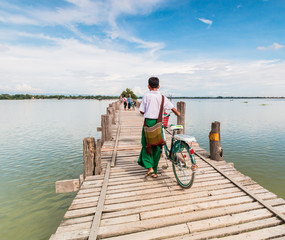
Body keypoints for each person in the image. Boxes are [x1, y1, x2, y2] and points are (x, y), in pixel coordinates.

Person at [138, 77, 180, 178]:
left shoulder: (146, 96)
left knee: (147, 145)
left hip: (148, 123)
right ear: (158, 86)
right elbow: (172, 108)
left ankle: (150, 168)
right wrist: (178, 113)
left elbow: (142, 111)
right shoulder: (162, 97)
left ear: (148, 86)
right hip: (158, 123)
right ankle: (155, 172)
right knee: (157, 146)